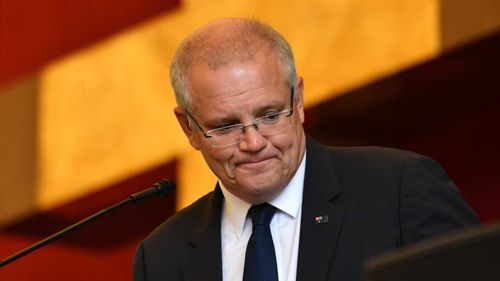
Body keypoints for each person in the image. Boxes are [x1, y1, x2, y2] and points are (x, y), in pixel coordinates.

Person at [133, 18, 479, 281]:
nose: (253, 143)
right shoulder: (162, 257)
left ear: (298, 101)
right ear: (189, 128)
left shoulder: (399, 192)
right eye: (226, 126)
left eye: (269, 115)